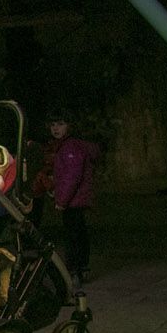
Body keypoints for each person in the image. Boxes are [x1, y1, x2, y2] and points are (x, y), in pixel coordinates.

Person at [44, 110, 100, 287]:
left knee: (73, 235)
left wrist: (62, 201)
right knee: (78, 232)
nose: (56, 129)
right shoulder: (67, 146)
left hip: (73, 201)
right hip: (75, 199)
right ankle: (80, 269)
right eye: (53, 125)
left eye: (60, 124)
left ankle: (74, 271)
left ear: (69, 126)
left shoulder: (70, 148)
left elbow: (72, 177)